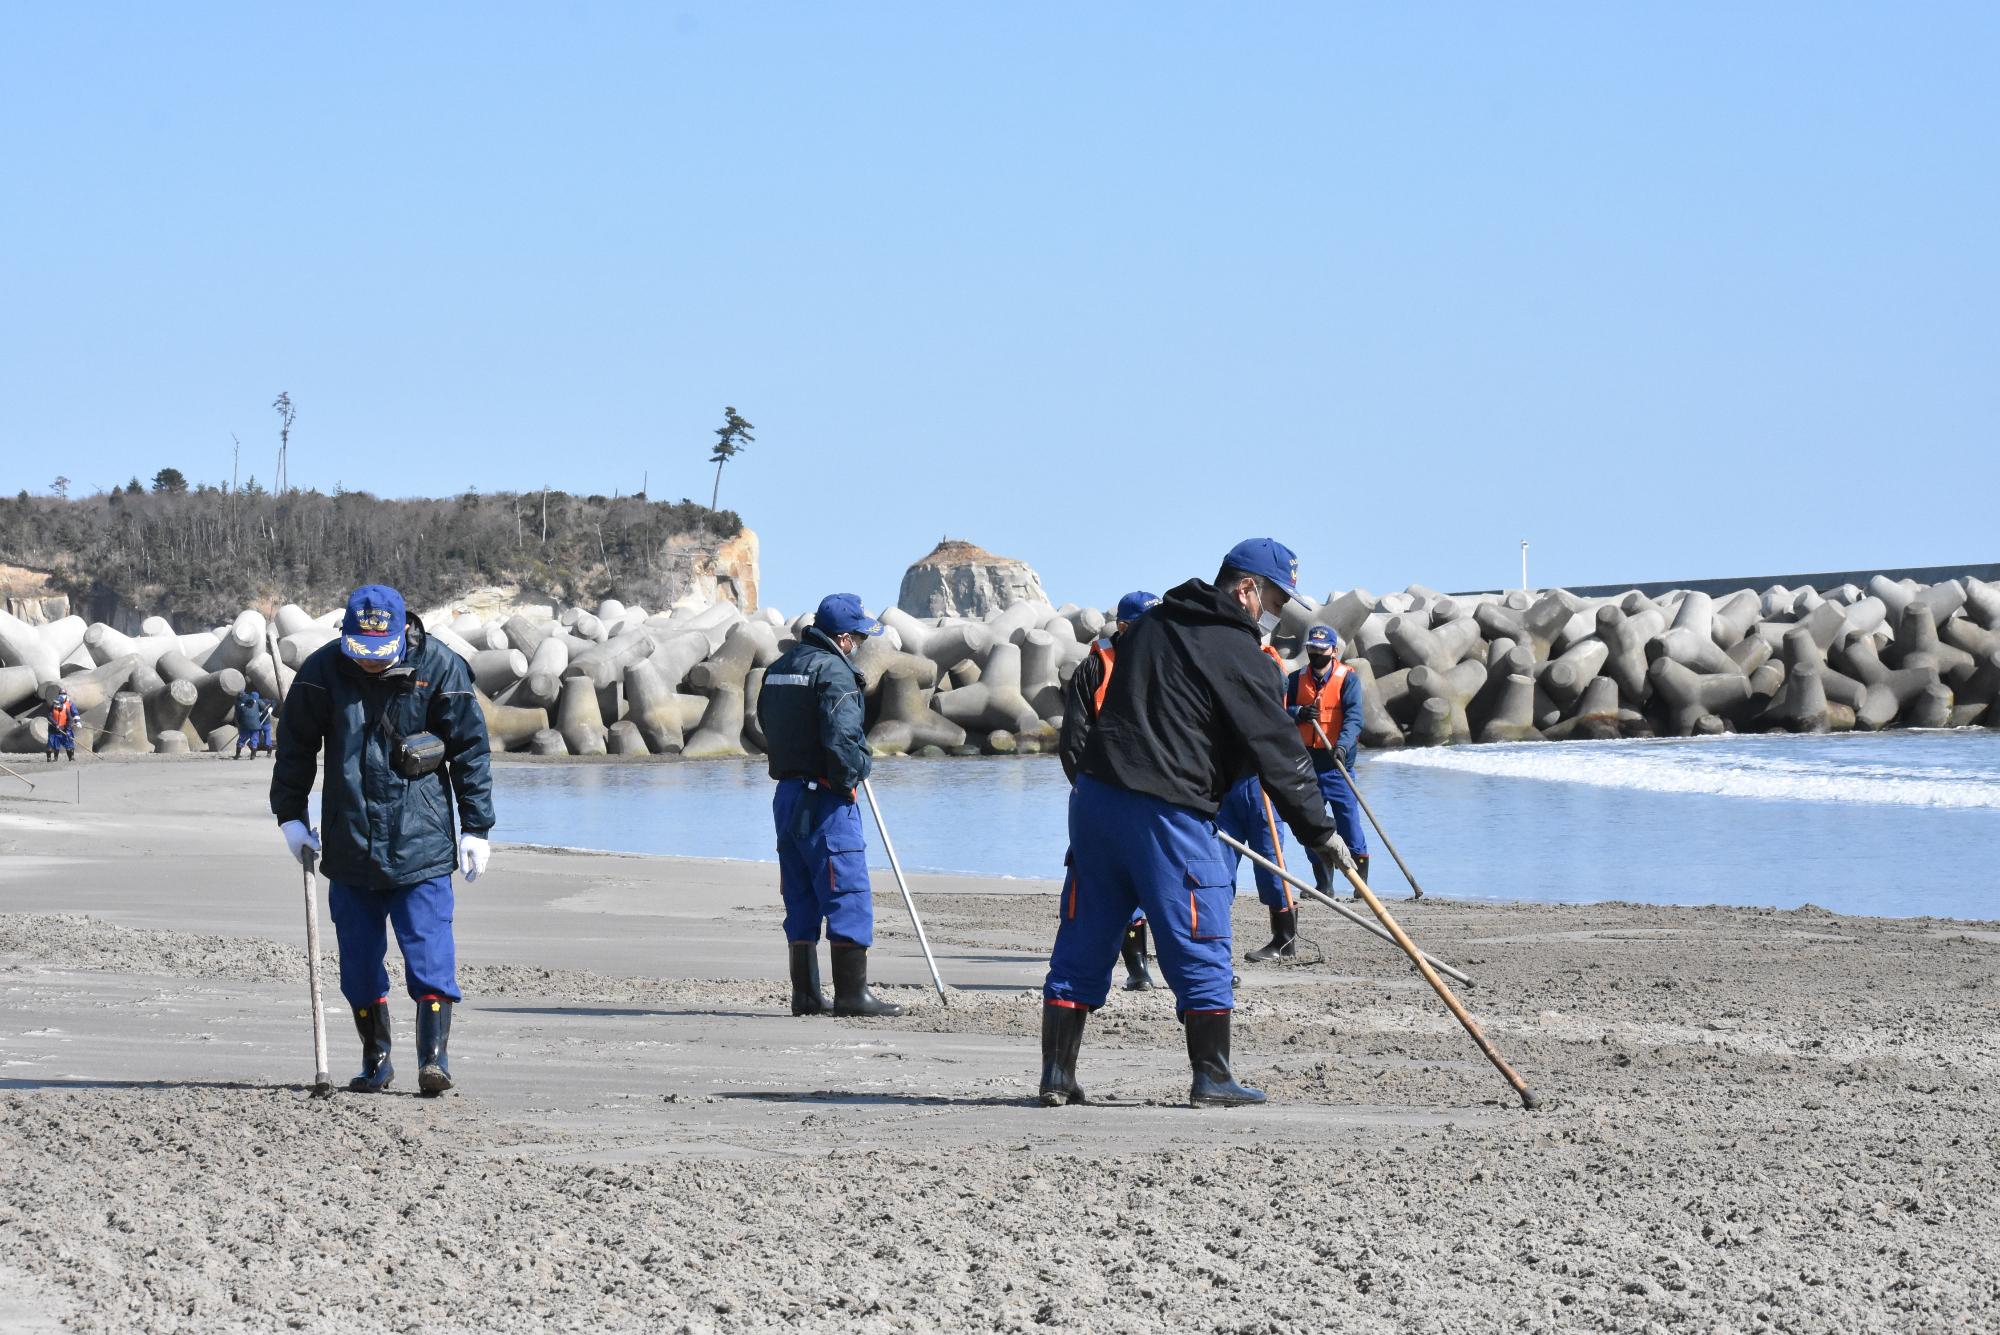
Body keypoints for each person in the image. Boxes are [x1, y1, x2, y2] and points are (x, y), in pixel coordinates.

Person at [1040, 539, 1352, 1108]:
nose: (1275, 613)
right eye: (1276, 598)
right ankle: (1212, 1076)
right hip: (1166, 811)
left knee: (1085, 932)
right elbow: (1277, 747)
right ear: (1245, 588)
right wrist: (1321, 832)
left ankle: (1057, 1076)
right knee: (1199, 929)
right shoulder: (1235, 650)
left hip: (1095, 801)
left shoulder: (1153, 624)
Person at [270, 584, 494, 1096]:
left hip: (423, 842)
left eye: (379, 652)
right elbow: (296, 747)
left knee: (430, 953)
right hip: (350, 843)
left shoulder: (440, 667)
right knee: (358, 961)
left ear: (401, 634)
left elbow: (471, 751)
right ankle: (377, 1059)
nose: (369, 662)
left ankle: (433, 1061)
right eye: (360, 651)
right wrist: (290, 817)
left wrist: (477, 828)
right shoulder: (323, 672)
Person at [756, 593, 903, 1019]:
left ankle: (805, 994)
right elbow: (843, 738)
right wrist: (853, 774)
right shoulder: (835, 672)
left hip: (787, 795)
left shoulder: (779, 668)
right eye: (858, 635)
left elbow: (767, 725)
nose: (859, 642)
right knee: (847, 890)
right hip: (826, 798)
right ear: (842, 637)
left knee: (800, 892)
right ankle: (852, 995)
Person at [1058, 590, 1160, 992]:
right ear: (1123, 628)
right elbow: (1072, 741)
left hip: (1152, 795)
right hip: (1101, 794)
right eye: (1144, 627)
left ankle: (1156, 967)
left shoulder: (1165, 666)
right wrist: (1087, 792)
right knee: (1102, 882)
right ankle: (1135, 970)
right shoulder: (1094, 669)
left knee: (1157, 879)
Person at [1285, 625, 1369, 897]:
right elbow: (1278, 709)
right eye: (1312, 649)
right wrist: (1299, 712)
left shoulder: (1348, 679)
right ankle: (1324, 884)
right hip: (1306, 764)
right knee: (1311, 825)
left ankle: (1360, 886)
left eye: (1321, 649)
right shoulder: (1296, 679)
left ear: (1334, 651)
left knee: (1349, 824)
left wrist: (1343, 747)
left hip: (1337, 763)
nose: (1316, 653)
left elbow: (1355, 718)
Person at [233, 687, 274, 759]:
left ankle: (237, 755)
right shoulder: (259, 701)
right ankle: (253, 755)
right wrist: (269, 708)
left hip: (247, 724)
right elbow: (265, 707)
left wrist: (240, 724)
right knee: (255, 739)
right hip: (257, 724)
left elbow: (238, 716)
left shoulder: (240, 703)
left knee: (242, 738)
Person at [43, 686, 77, 762]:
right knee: (51, 746)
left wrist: (67, 730)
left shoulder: (66, 709)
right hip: (53, 730)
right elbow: (49, 716)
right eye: (55, 703)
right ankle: (50, 758)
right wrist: (56, 724)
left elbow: (70, 720)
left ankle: (71, 758)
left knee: (68, 745)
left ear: (62, 704)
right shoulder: (53, 707)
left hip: (63, 729)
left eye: (57, 704)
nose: (56, 705)